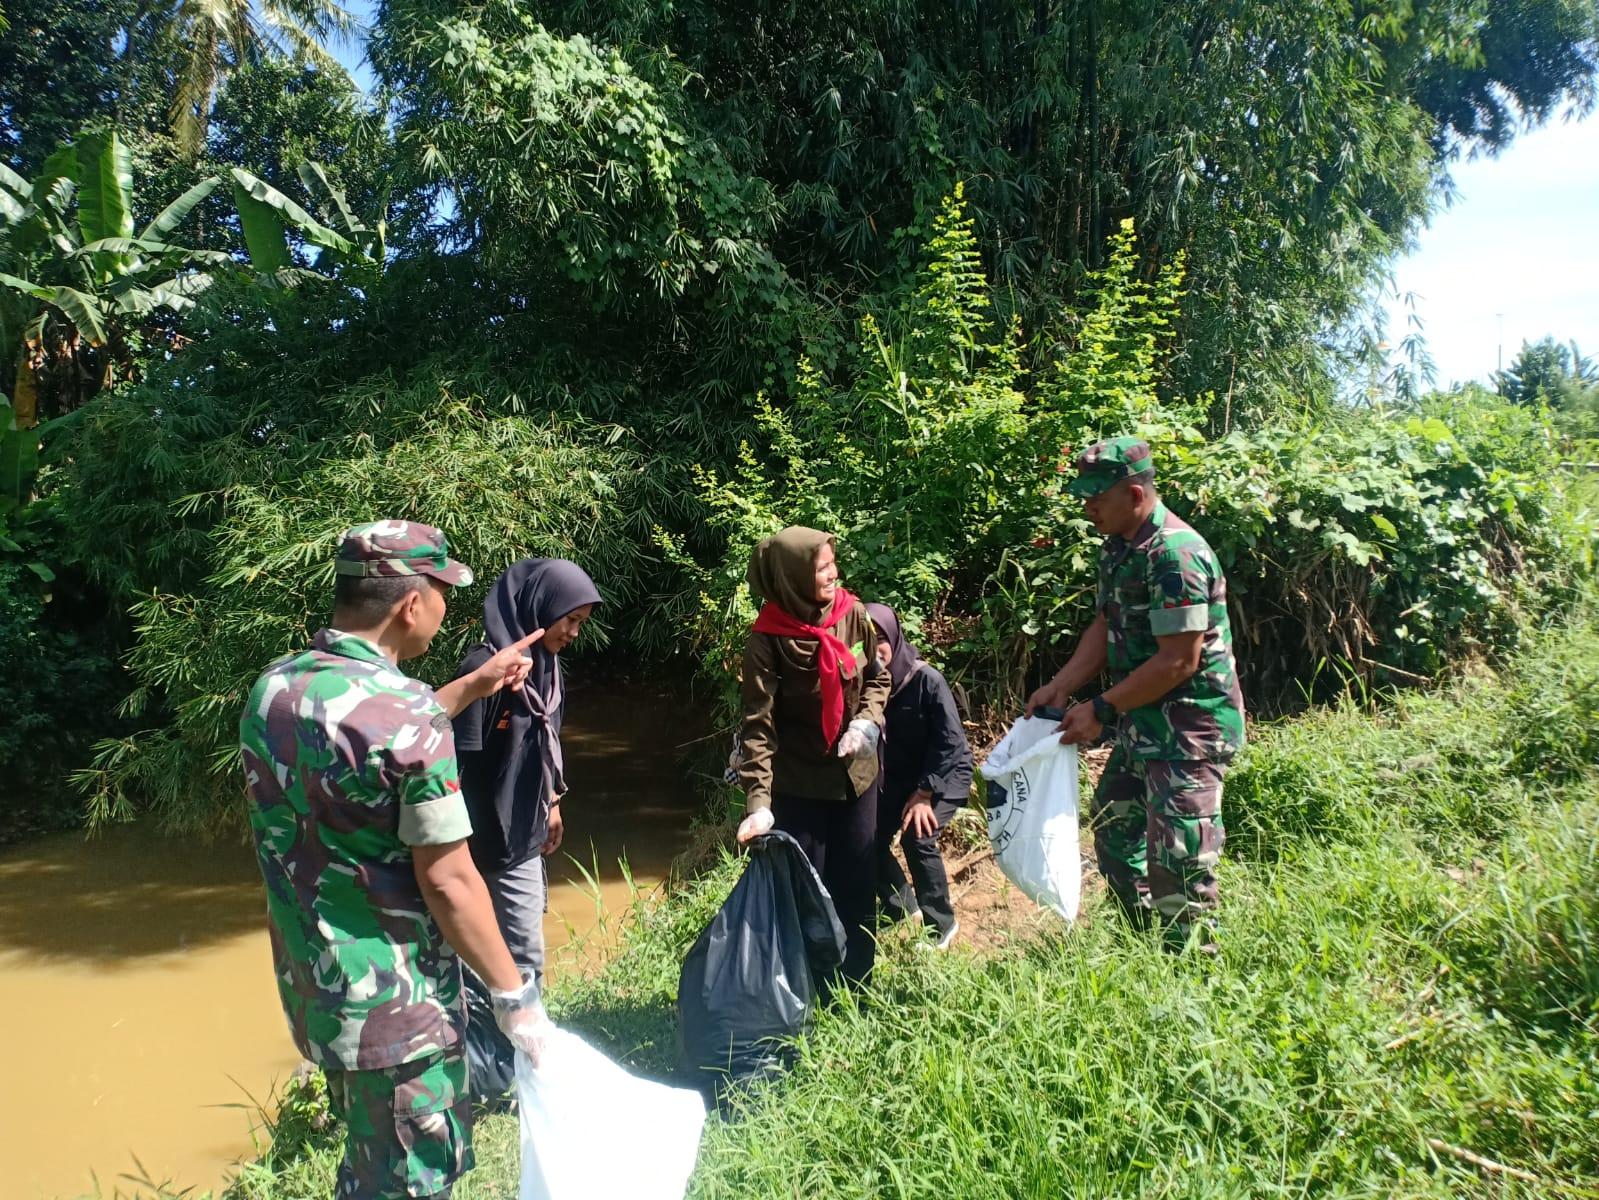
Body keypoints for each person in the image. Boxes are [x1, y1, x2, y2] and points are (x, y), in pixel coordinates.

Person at [239, 521, 549, 1200]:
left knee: (370, 1161)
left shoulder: (275, 690)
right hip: (400, 1006)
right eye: (442, 594)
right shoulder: (406, 715)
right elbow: (449, 880)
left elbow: (369, 744)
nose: (445, 608)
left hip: (318, 987)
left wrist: (470, 688)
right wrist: (514, 998)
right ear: (412, 604)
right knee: (413, 1180)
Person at [1026, 438, 1245, 950]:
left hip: (1191, 729)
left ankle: (1193, 967)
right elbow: (1106, 626)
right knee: (1115, 829)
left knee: (1180, 858)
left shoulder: (1176, 555)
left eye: (1097, 497)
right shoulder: (1119, 548)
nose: (1088, 507)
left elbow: (1178, 660)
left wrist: (1101, 708)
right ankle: (1144, 945)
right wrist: (1061, 686)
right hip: (1143, 722)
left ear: (1135, 494)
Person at [733, 526, 890, 984]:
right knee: (807, 891)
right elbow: (758, 727)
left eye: (832, 564)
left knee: (857, 881)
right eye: (821, 568)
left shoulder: (852, 614)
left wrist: (866, 723)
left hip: (855, 775)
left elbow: (878, 678)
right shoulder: (767, 641)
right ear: (794, 576)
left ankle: (857, 987)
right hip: (800, 784)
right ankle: (810, 989)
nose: (832, 574)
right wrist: (758, 804)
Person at [451, 557, 602, 987]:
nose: (573, 633)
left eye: (581, 623)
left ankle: (512, 1024)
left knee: (522, 951)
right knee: (511, 958)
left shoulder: (547, 670)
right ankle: (513, 1027)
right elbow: (451, 764)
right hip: (484, 839)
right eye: (570, 620)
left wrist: (552, 803)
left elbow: (546, 743)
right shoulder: (484, 671)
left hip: (525, 833)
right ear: (541, 606)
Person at [864, 603, 972, 950]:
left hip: (944, 771)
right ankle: (900, 907)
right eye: (866, 640)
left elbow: (951, 743)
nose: (875, 648)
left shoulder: (926, 680)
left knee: (917, 835)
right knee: (865, 836)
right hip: (899, 775)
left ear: (895, 638)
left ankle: (941, 925)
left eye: (881, 639)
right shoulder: (867, 683)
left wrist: (925, 794)